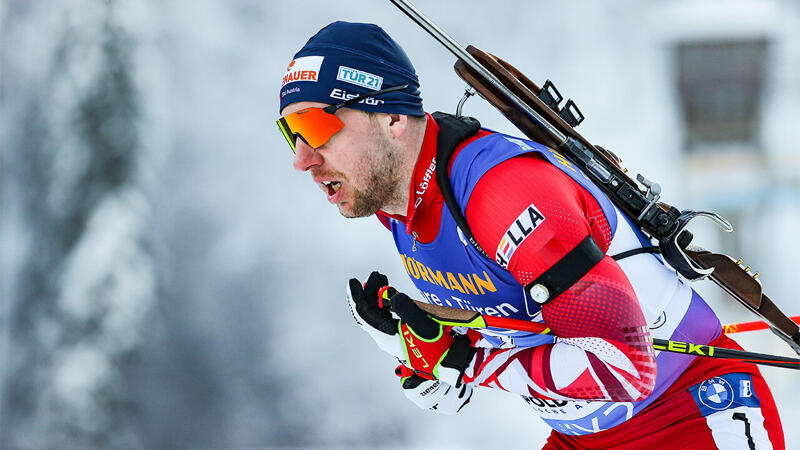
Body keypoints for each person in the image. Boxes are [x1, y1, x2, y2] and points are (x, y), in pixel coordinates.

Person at [277, 21, 785, 449]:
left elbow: (624, 367)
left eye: (317, 127)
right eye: (291, 133)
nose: (302, 159)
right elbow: (506, 327)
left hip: (687, 417)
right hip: (580, 437)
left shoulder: (502, 194)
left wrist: (468, 362)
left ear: (392, 117)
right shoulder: (398, 205)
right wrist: (429, 359)